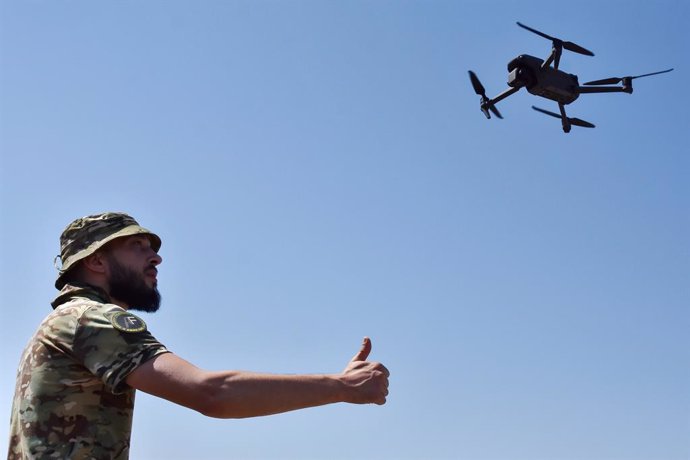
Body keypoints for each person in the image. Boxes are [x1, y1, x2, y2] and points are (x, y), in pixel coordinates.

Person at [8, 212, 390, 459]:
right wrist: (342, 387)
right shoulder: (92, 319)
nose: (156, 257)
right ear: (96, 261)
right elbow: (210, 393)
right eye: (136, 246)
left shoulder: (64, 322)